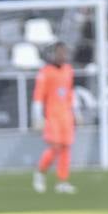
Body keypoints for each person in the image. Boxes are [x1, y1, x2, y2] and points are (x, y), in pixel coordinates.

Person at [31, 41, 77, 194]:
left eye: (64, 52)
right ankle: (40, 172)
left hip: (66, 115)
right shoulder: (45, 72)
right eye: (60, 52)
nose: (63, 55)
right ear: (53, 54)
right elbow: (38, 96)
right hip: (52, 116)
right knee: (55, 147)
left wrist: (76, 113)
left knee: (65, 148)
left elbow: (70, 93)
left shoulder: (68, 70)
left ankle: (62, 181)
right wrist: (38, 117)